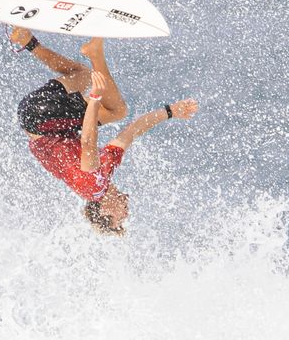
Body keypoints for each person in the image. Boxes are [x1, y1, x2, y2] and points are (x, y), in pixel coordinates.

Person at [11, 27, 199, 235]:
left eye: (120, 221)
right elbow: (132, 131)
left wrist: (95, 98)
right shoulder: (105, 174)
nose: (126, 215)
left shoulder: (92, 186)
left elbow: (88, 142)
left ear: (105, 212)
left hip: (43, 119)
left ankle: (95, 51)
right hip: (36, 116)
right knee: (83, 74)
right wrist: (171, 111)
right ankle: (28, 42)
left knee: (117, 110)